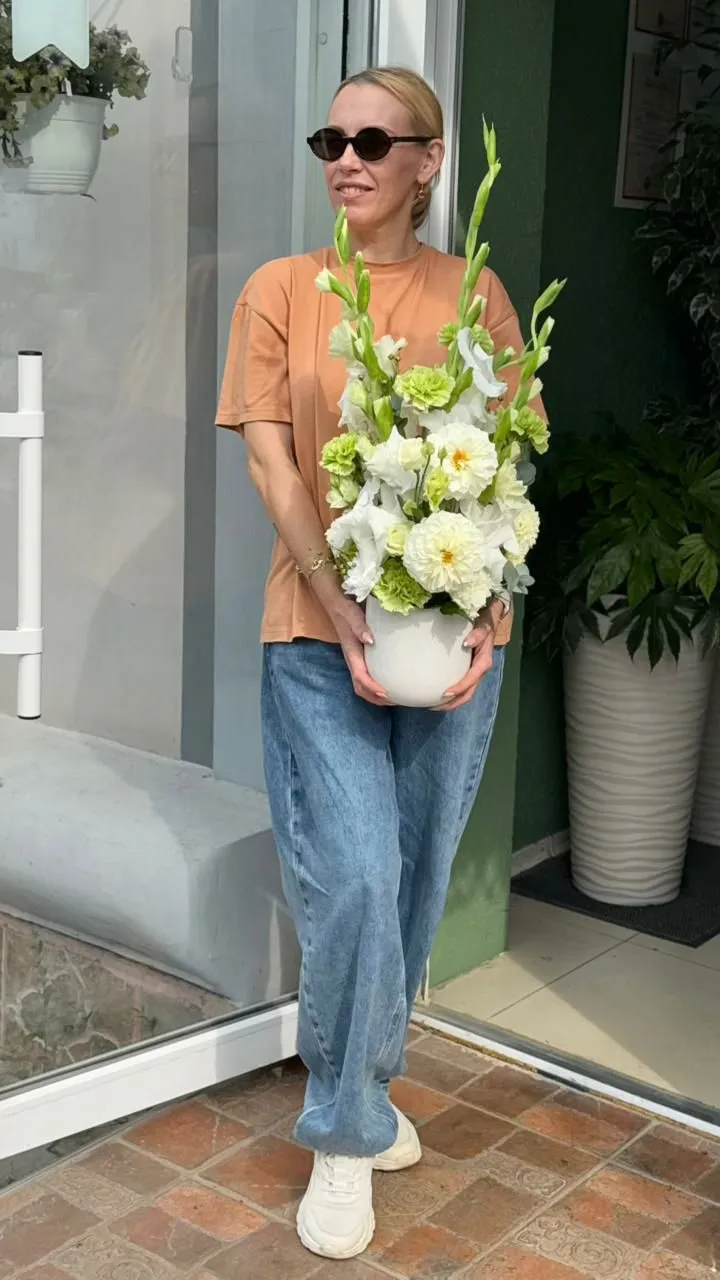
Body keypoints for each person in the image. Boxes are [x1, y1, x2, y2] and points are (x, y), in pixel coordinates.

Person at [217, 66, 530, 1262]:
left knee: (411, 879)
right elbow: (271, 461)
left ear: (428, 161)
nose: (345, 158)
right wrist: (338, 601)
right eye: (330, 139)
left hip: (451, 633)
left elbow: (506, 460)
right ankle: (344, 1132)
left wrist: (483, 608)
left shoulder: (476, 294)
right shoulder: (281, 290)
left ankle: (368, 1083)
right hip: (314, 630)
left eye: (371, 140)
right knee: (351, 873)